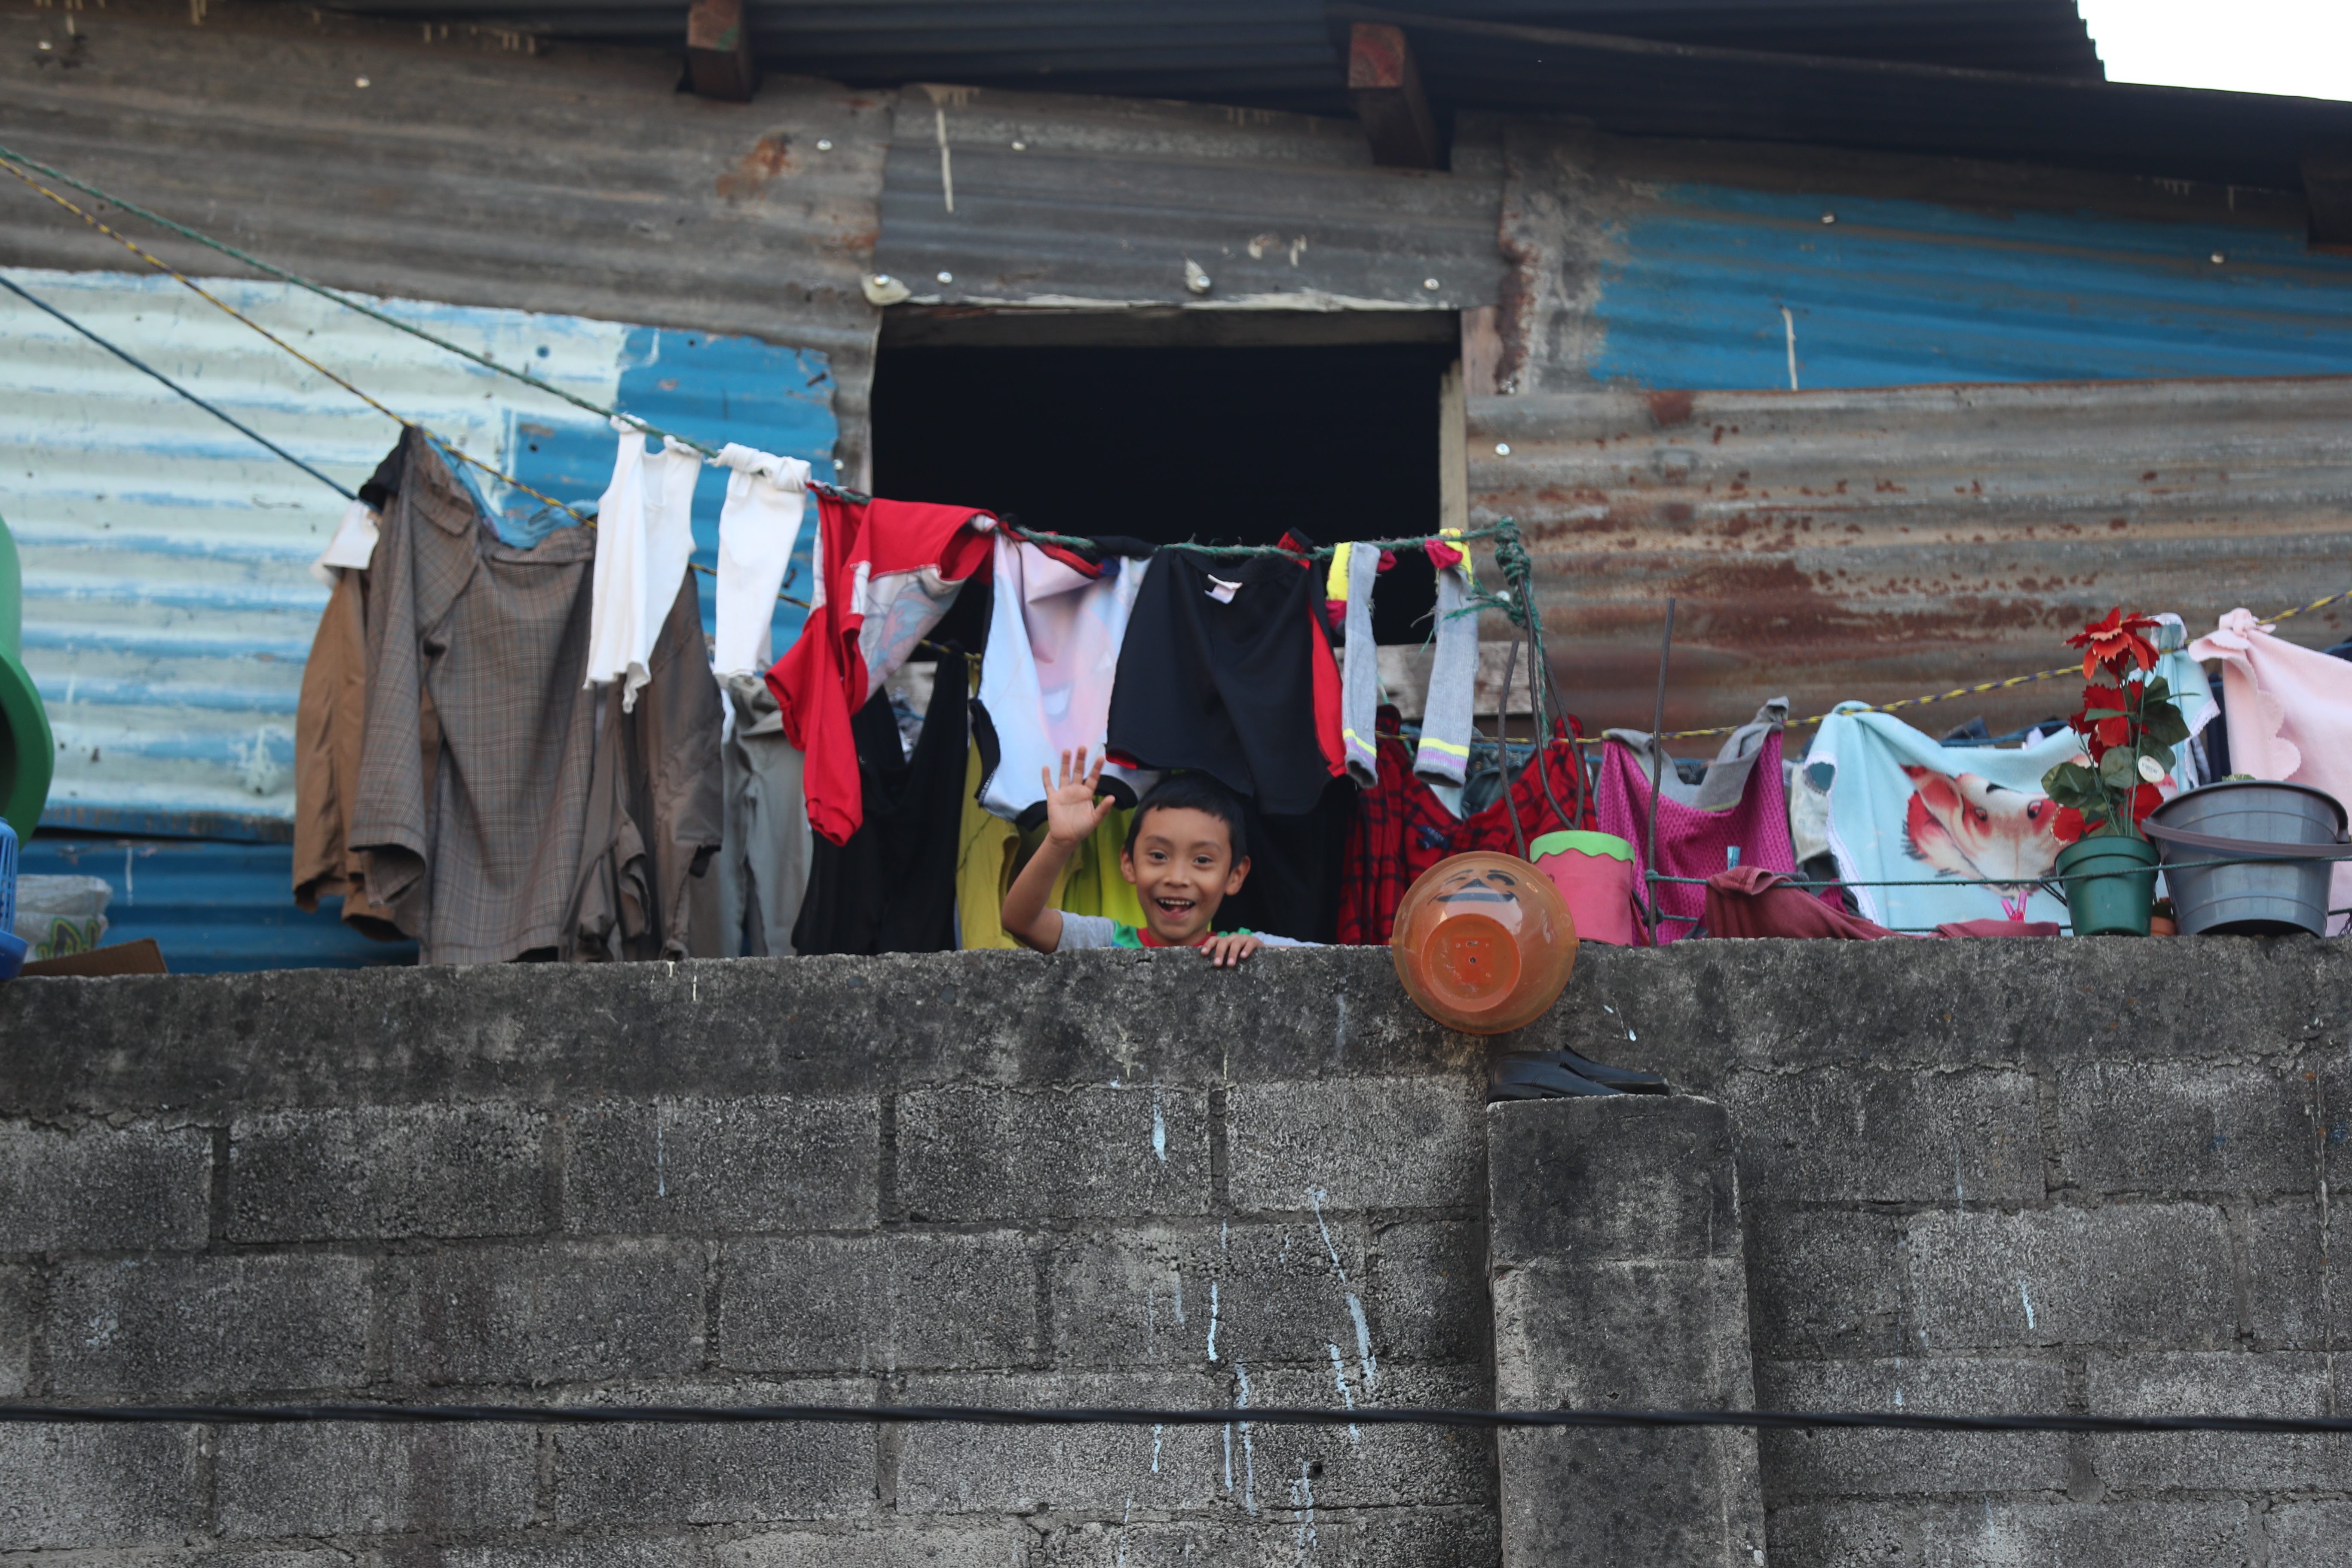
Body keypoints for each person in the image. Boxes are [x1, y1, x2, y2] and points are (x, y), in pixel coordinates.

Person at [1001, 749, 1311, 965]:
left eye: (1202, 860)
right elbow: (1021, 921)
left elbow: (1342, 961)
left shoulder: (1239, 949)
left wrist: (1266, 954)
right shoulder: (1105, 943)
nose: (1176, 878)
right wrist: (1059, 843)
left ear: (1235, 875)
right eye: (1159, 856)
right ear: (1129, 863)